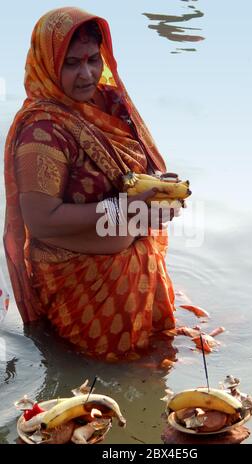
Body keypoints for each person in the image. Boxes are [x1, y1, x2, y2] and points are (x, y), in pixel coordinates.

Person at [4, 7, 180, 361]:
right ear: (48, 64)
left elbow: (133, 169)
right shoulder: (42, 130)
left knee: (156, 364)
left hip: (137, 268)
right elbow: (40, 220)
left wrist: (160, 189)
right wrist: (122, 210)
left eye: (92, 60)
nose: (86, 74)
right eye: (71, 63)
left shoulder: (111, 102)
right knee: (94, 390)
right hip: (82, 287)